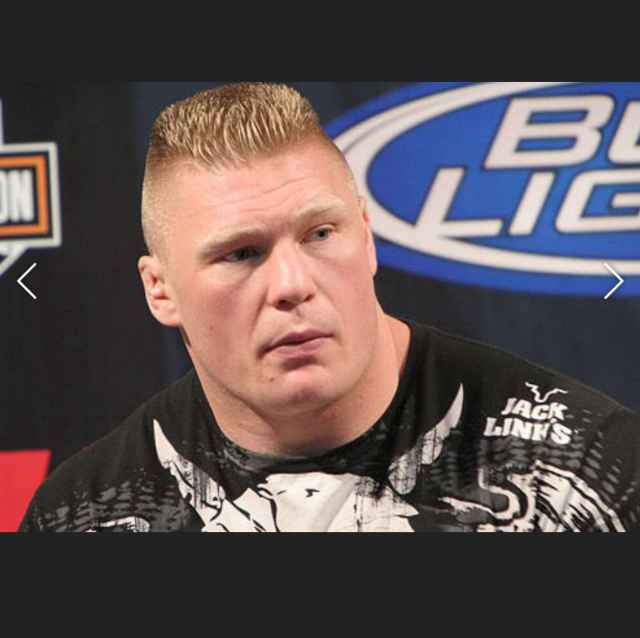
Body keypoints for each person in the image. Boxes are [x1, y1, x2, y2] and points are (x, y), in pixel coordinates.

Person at [19, 82, 640, 532]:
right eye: (241, 253)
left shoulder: (582, 468)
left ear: (366, 238)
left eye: (319, 234)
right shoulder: (85, 515)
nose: (292, 285)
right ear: (161, 290)